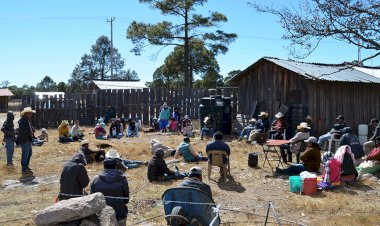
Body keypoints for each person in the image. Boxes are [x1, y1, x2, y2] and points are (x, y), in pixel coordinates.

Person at [91, 154, 129, 225]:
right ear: (116, 166)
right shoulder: (122, 179)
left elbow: (92, 197)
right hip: (119, 213)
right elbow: (126, 199)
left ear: (104, 166)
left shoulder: (96, 179)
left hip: (101, 213)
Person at [18, 107, 36, 173]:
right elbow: (24, 131)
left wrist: (33, 129)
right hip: (25, 140)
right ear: (26, 114)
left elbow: (30, 127)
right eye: (30, 113)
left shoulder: (27, 120)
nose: (31, 114)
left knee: (29, 153)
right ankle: (24, 168)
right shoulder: (22, 121)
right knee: (25, 154)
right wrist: (30, 134)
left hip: (28, 139)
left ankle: (26, 166)